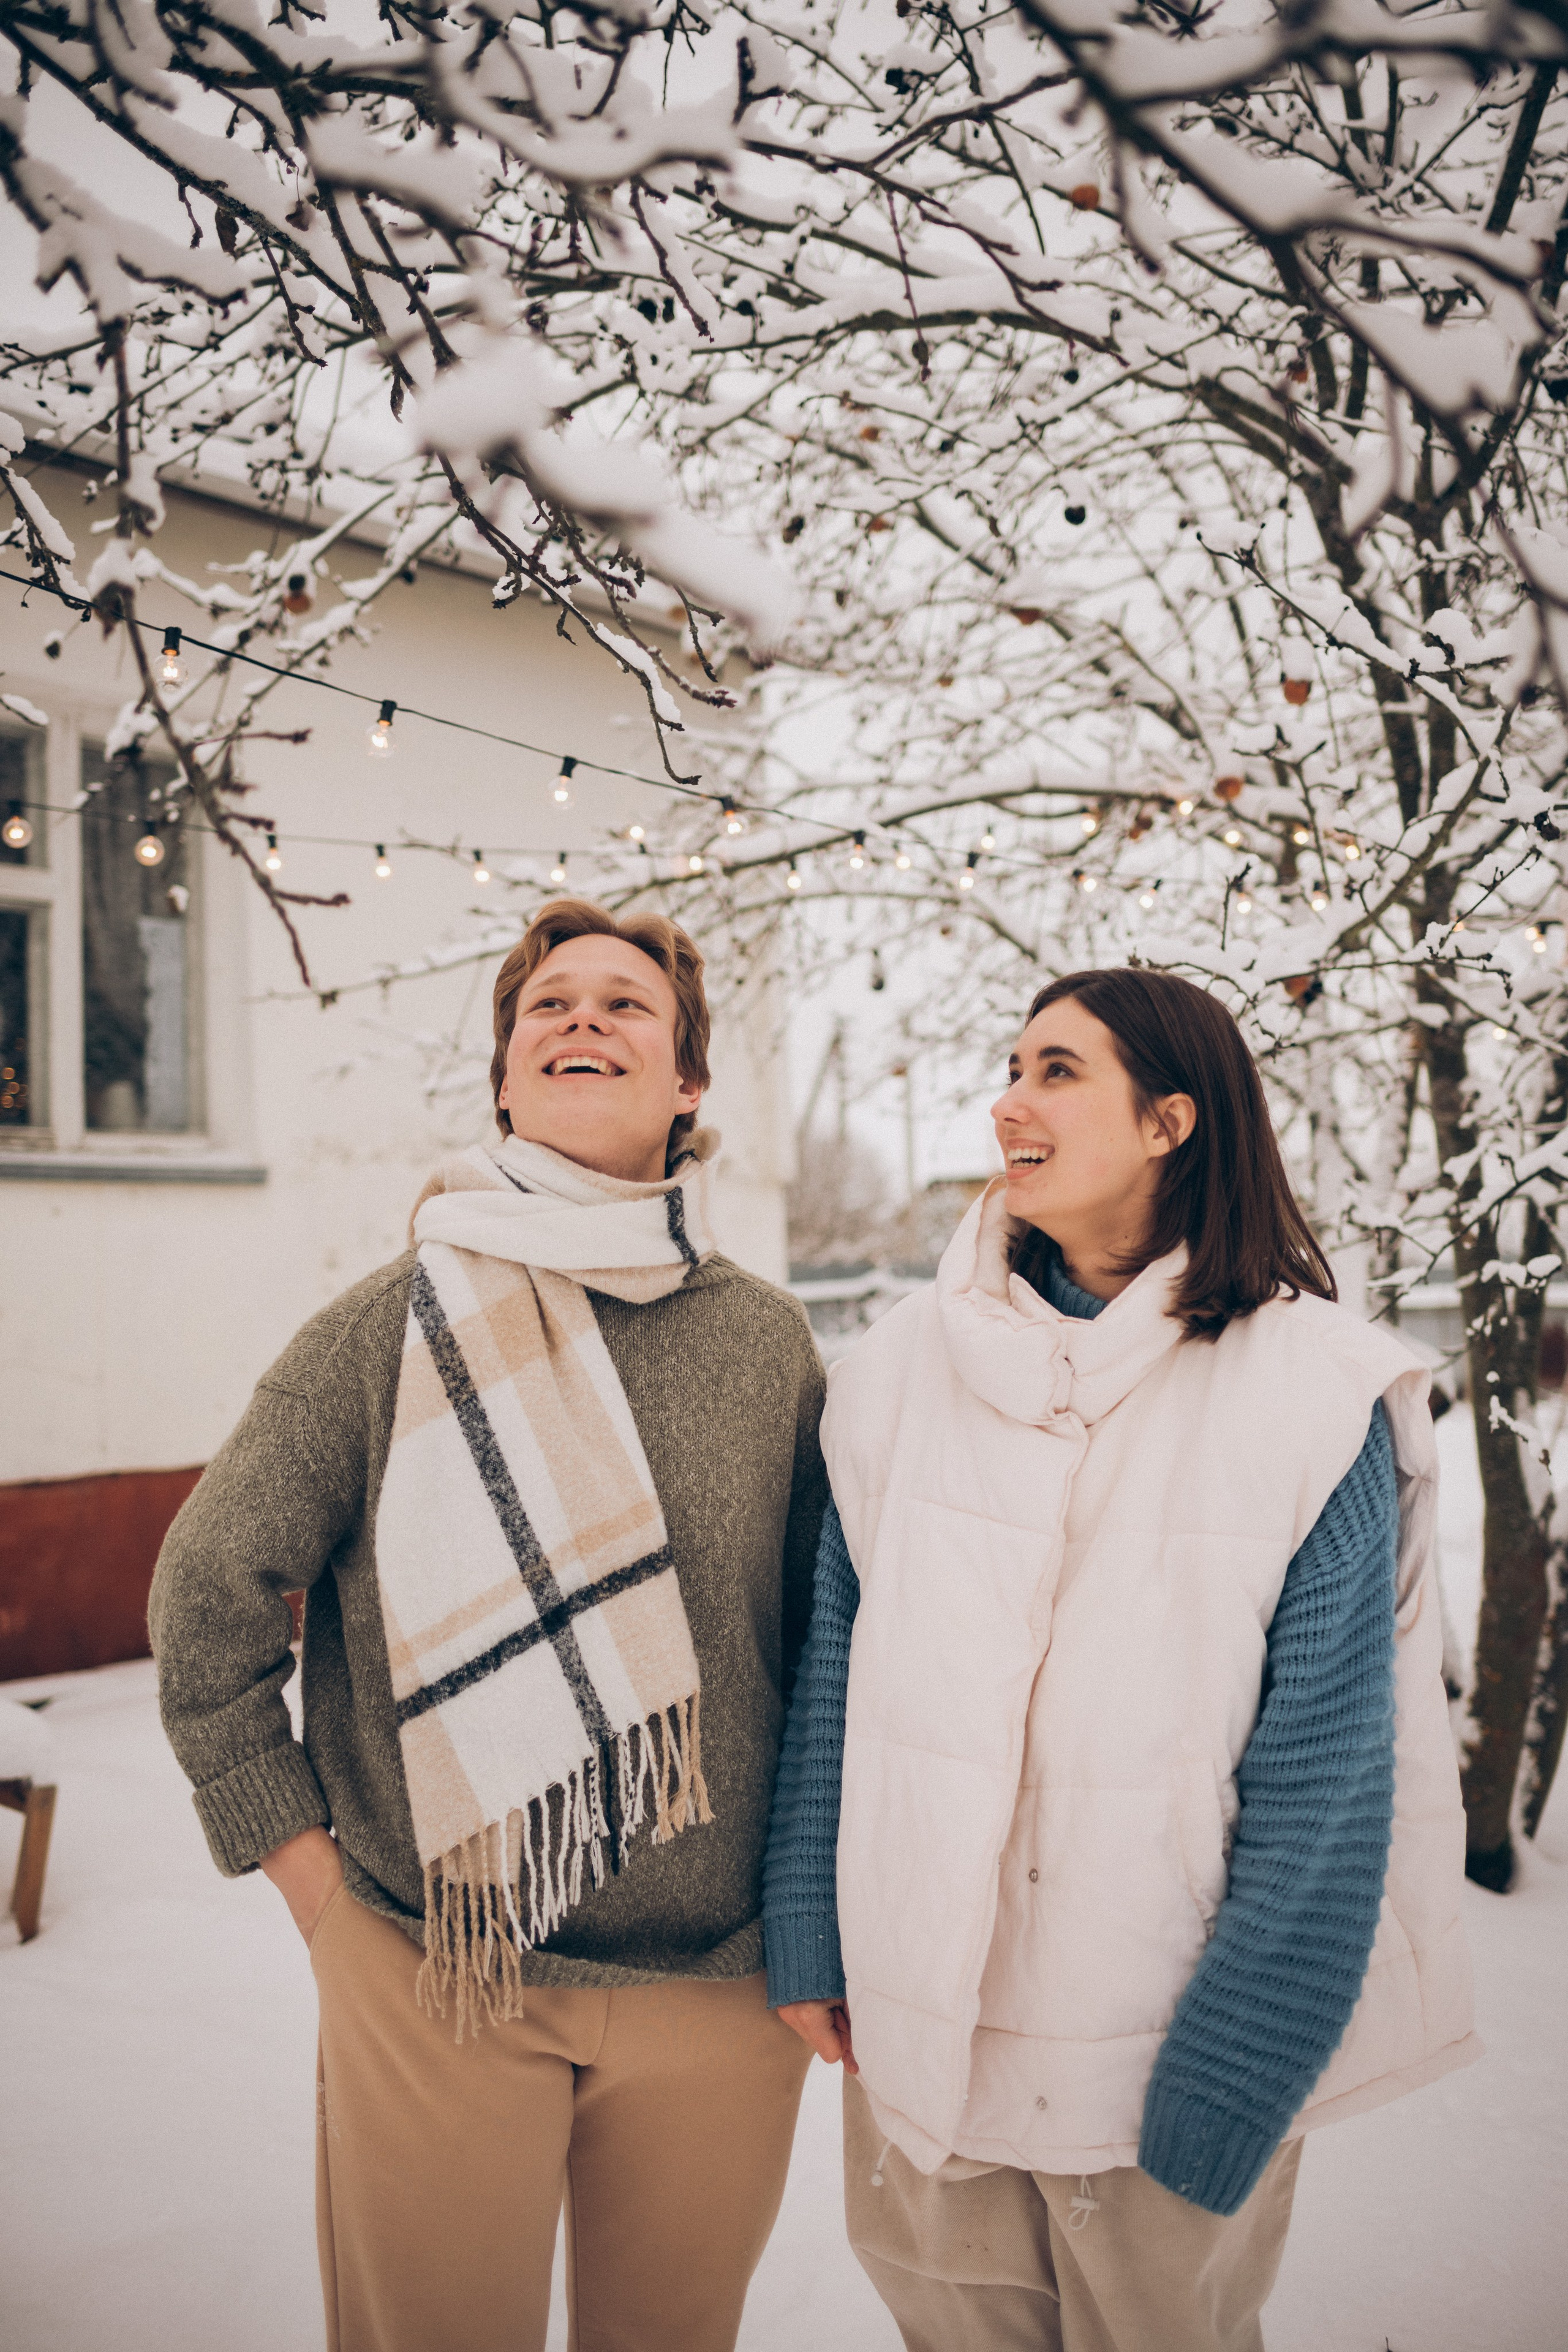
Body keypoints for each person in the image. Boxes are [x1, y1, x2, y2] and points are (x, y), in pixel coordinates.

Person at [763, 967, 1476, 2352]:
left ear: (1168, 1121)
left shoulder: (1309, 1393)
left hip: (1162, 2056)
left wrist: (1237, 2065)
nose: (1006, 1102)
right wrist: (809, 1919)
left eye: (1054, 1071)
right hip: (926, 2031)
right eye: (1009, 1065)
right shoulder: (896, 1371)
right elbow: (836, 1670)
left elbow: (1326, 1779)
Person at [151, 899, 826, 2352]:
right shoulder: (385, 1326)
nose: (582, 1020)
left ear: (689, 1084)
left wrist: (813, 1922)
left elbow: (820, 1650)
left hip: (716, 1989)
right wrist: (314, 1886)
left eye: (625, 1005)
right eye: (548, 1008)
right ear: (508, 1078)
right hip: (439, 1973)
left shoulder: (768, 1345)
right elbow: (205, 1601)